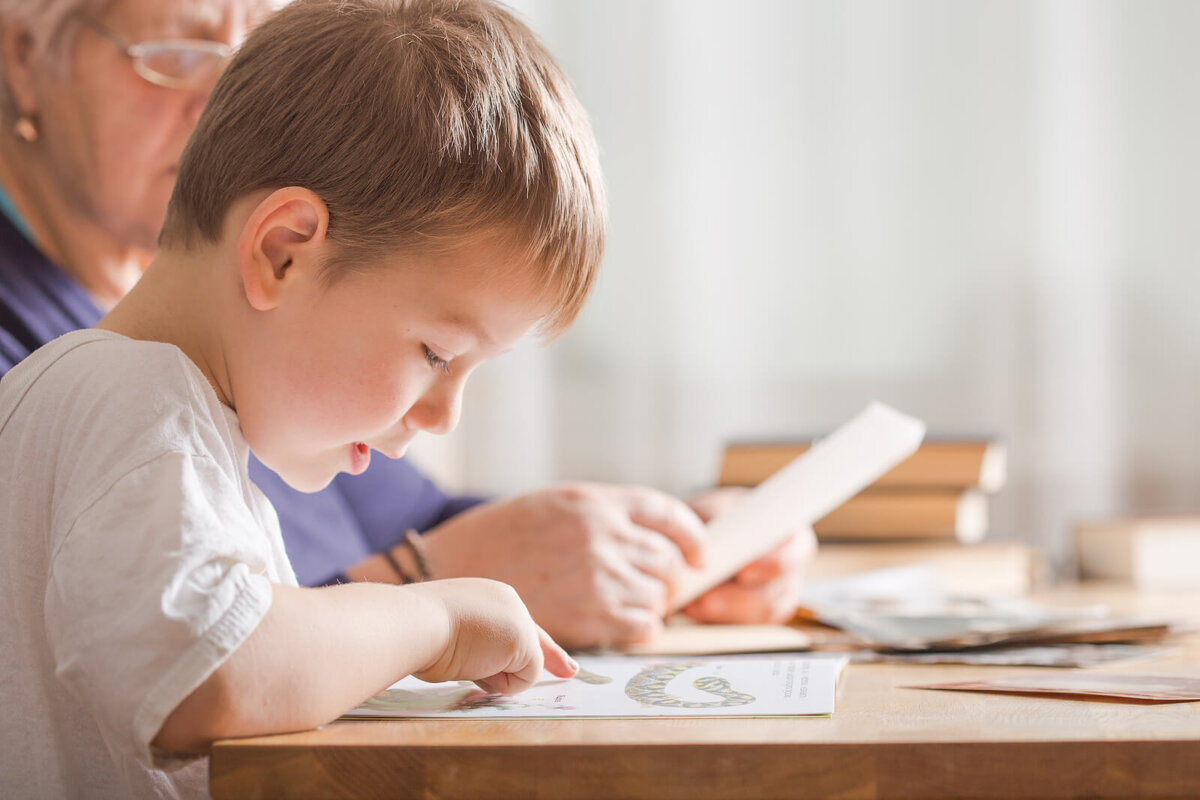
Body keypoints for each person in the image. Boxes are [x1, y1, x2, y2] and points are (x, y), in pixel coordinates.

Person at [0, 0, 814, 650]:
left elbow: (408, 518)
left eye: (258, 41)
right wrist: (433, 604)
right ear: (25, 61)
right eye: (178, 51)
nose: (225, 99)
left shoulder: (256, 356)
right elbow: (211, 655)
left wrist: (660, 545)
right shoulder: (130, 391)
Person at [0, 0, 612, 795]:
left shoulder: (180, 421)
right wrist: (437, 620)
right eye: (435, 353)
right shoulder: (129, 400)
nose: (441, 415)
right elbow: (210, 672)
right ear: (284, 253)